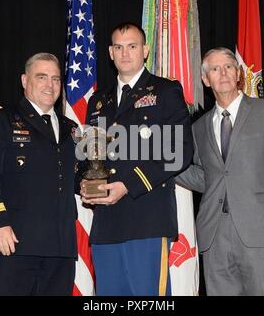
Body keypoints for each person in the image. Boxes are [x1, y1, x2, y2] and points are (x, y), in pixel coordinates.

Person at [79, 22, 193, 296]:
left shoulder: (166, 91)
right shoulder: (98, 101)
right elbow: (86, 155)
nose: (125, 53)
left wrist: (128, 185)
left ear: (145, 50)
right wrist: (82, 184)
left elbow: (180, 151)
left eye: (132, 46)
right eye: (118, 47)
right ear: (110, 52)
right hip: (106, 224)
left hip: (147, 221)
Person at [176, 47, 264, 295]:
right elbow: (207, 178)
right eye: (214, 68)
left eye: (228, 67)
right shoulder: (198, 127)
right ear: (205, 79)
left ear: (238, 73)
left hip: (262, 235)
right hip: (214, 238)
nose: (222, 73)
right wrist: (162, 166)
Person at [0, 53, 78, 295]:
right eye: (41, 77)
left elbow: (74, 178)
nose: (50, 85)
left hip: (60, 249)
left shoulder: (71, 129)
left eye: (56, 79)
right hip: (12, 243)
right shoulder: (1, 118)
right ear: (24, 80)